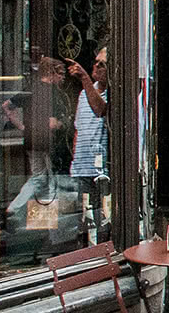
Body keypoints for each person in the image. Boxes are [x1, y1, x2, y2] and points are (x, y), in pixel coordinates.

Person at [68, 48, 110, 241]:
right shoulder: (84, 94)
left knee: (104, 218)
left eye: (102, 64)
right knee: (85, 217)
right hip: (83, 165)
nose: (96, 66)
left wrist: (84, 78)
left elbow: (100, 109)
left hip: (102, 169)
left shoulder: (113, 93)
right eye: (96, 62)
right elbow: (79, 128)